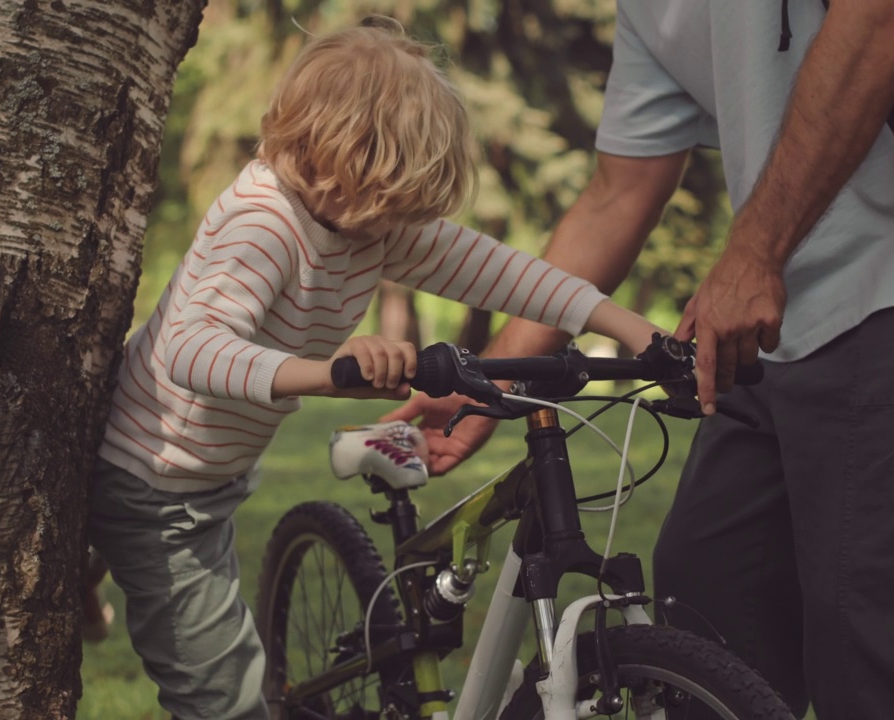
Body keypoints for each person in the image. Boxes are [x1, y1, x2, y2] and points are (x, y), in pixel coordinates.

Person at [385, 2, 894, 718]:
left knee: (877, 662)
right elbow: (617, 196)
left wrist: (753, 254)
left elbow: (881, 16)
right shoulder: (650, 12)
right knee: (708, 593)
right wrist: (491, 378)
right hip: (771, 331)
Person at [86, 17, 666, 720]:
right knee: (224, 696)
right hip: (156, 482)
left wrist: (645, 336)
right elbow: (192, 350)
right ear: (345, 165)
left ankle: (82, 562)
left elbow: (509, 276)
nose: (402, 224)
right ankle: (85, 559)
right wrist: (330, 369)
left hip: (210, 472)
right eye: (394, 200)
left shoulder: (362, 224)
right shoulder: (265, 224)